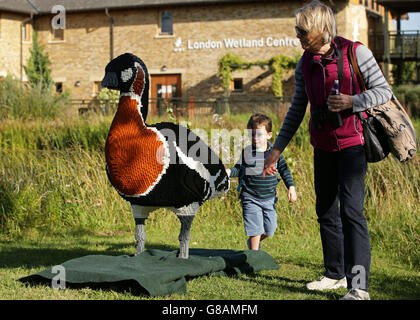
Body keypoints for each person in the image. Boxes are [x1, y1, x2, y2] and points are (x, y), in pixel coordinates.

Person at [263, 0, 392, 300]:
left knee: (351, 212)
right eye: (297, 29)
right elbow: (297, 109)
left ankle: (358, 287)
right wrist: (277, 148)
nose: (297, 35)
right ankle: (335, 274)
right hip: (321, 147)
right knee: (325, 211)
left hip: (352, 147)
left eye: (302, 30)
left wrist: (352, 102)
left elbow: (384, 91)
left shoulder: (355, 52)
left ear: (322, 29)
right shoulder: (304, 63)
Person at [227, 113, 297, 251]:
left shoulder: (275, 154)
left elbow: (284, 170)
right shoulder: (247, 152)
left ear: (269, 135)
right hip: (250, 197)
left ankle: (253, 243)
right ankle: (254, 256)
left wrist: (291, 187)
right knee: (255, 229)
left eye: (259, 134)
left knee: (270, 229)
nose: (255, 138)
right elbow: (239, 169)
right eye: (252, 134)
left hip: (269, 199)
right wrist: (229, 172)